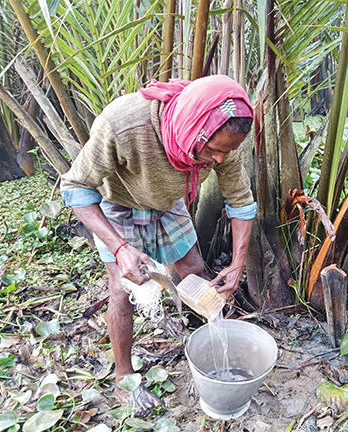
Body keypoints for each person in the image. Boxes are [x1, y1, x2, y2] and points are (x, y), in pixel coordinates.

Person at [60, 75, 256, 416]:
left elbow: (241, 202)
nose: (220, 160)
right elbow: (77, 190)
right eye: (213, 151)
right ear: (191, 127)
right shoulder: (123, 124)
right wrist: (120, 248)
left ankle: (201, 339)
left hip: (167, 203)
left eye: (227, 152)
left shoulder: (226, 141)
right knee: (123, 290)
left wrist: (238, 263)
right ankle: (124, 376)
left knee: (194, 269)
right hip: (118, 203)